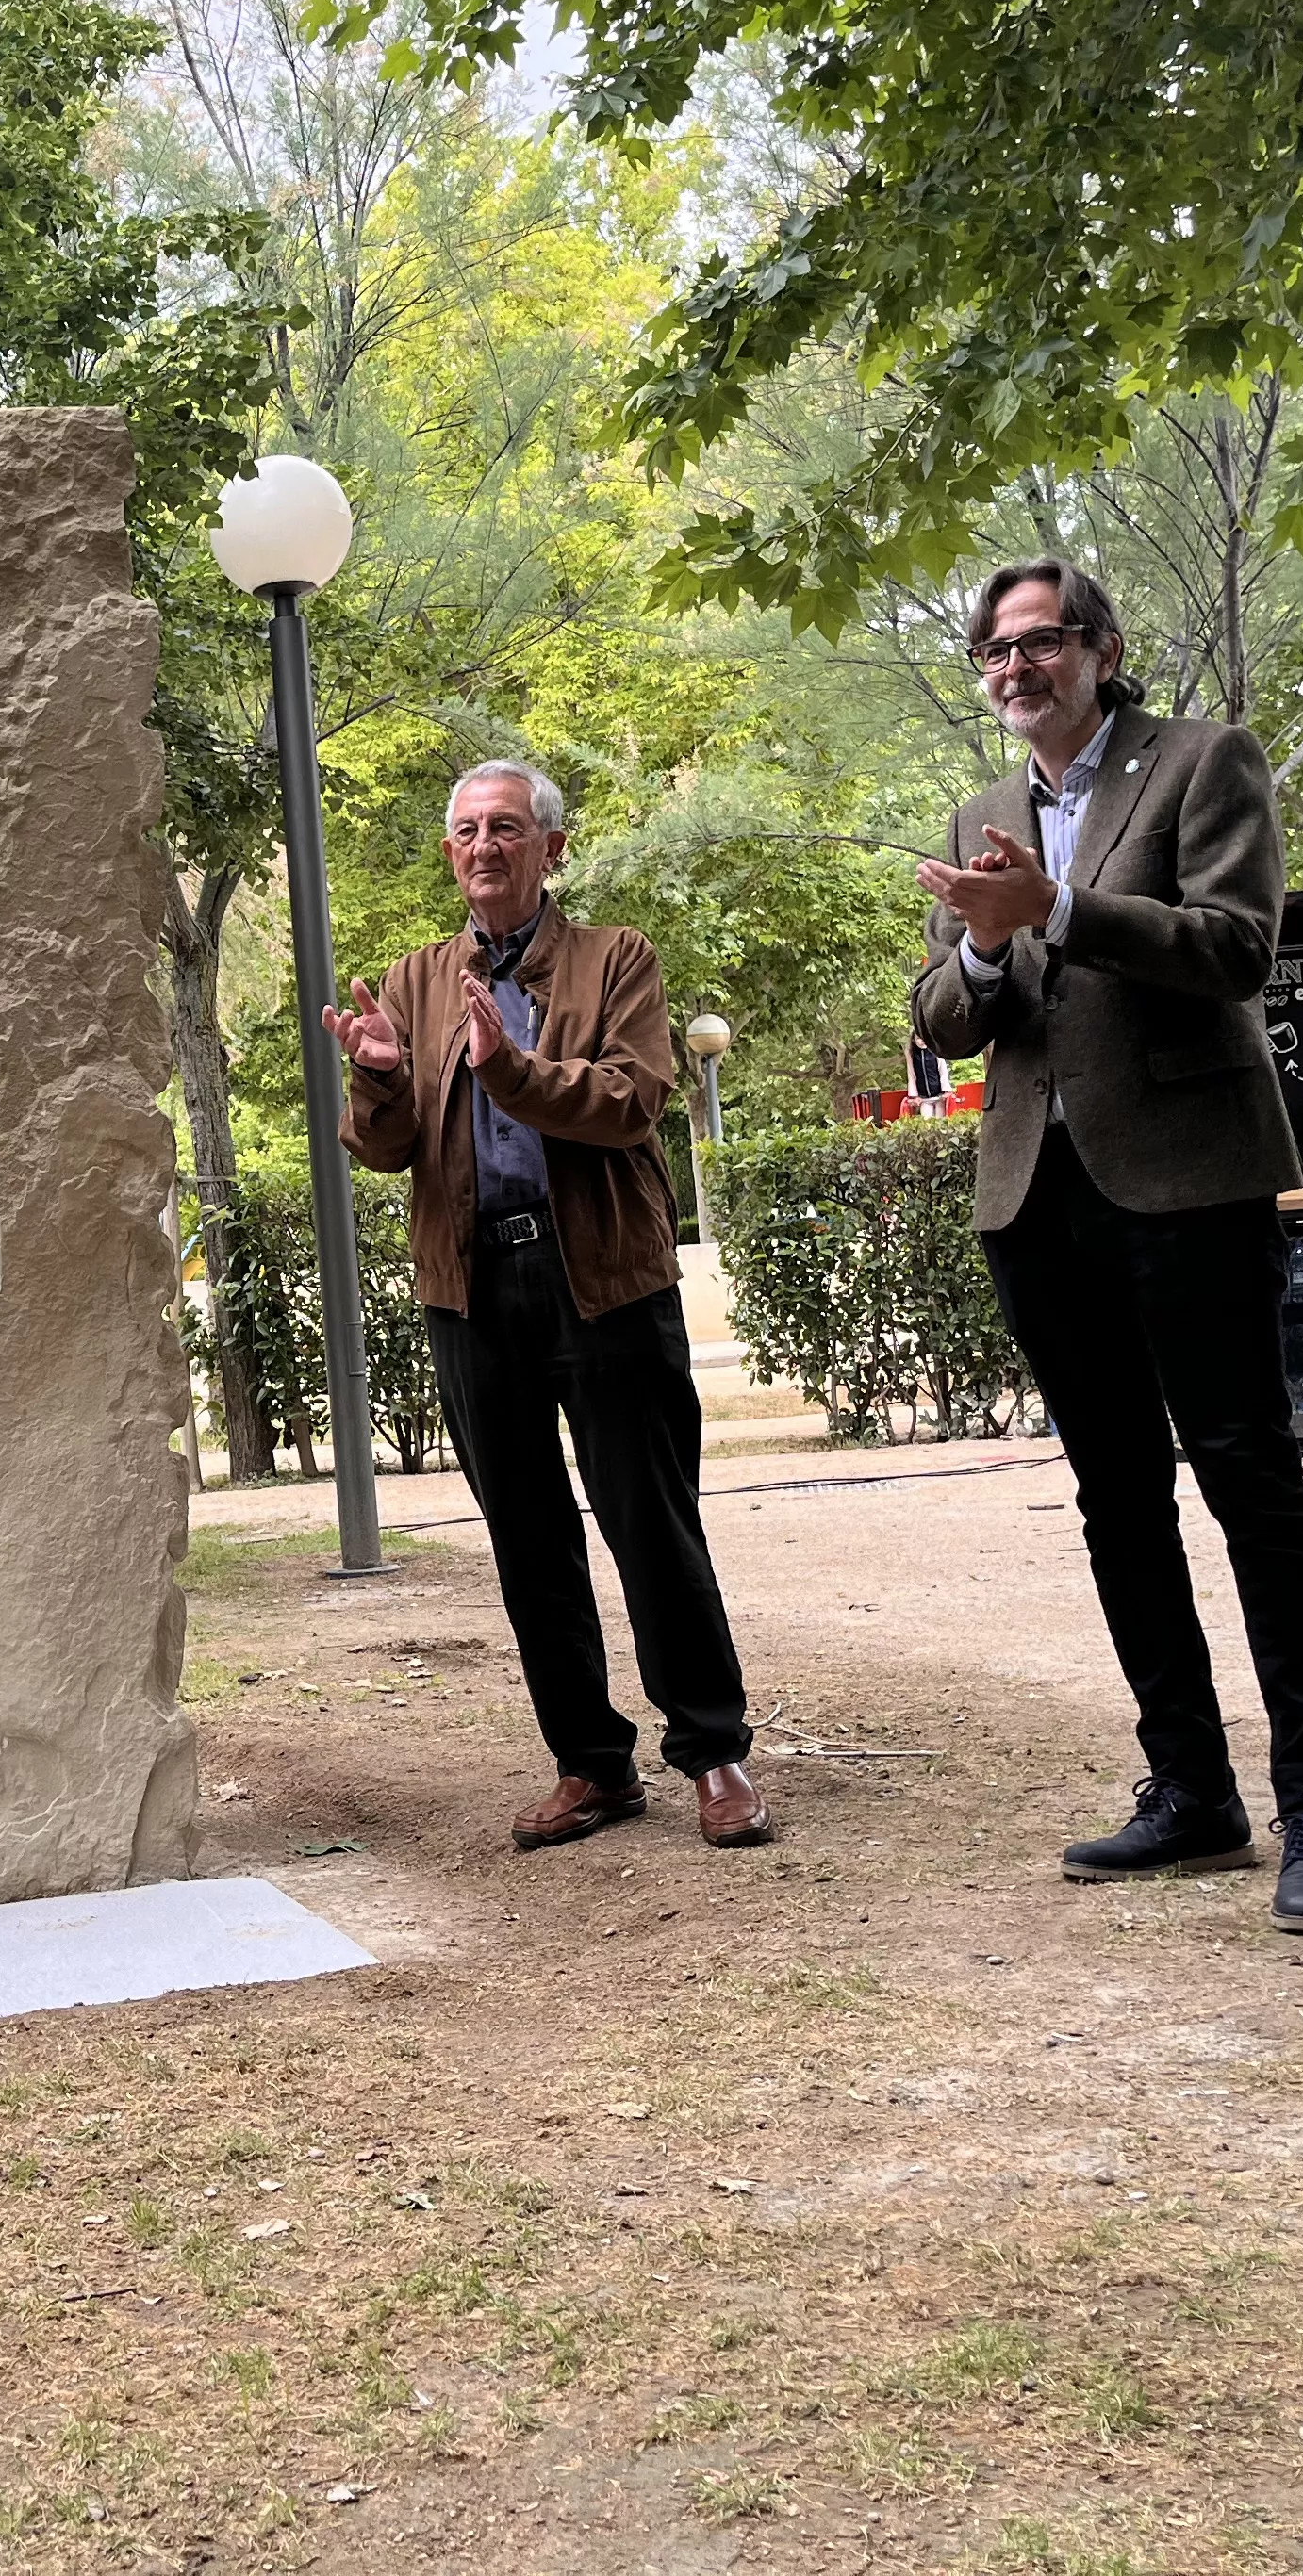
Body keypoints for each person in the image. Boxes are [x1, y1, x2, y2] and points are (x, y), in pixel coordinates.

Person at [908, 557, 1303, 1938]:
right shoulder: (984, 813)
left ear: (1105, 650)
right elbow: (943, 1014)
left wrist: (1052, 911)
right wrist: (988, 954)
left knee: (1249, 1485)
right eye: (994, 652)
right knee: (1118, 1498)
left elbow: (1237, 949)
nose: (1015, 668)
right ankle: (1190, 1789)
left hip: (1189, 1180)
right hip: (1033, 1195)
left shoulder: (1202, 763)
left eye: (1041, 642)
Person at [324, 761, 769, 1854]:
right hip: (474, 1289)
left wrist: (514, 1071)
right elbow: (384, 1152)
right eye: (468, 831)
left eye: (508, 828)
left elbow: (630, 1102)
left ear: (551, 848)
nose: (485, 846)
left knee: (649, 1523)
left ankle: (714, 1751)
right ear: (450, 853)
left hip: (605, 1280)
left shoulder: (618, 959)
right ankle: (592, 1765)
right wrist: (380, 1080)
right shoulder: (416, 980)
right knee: (527, 1538)